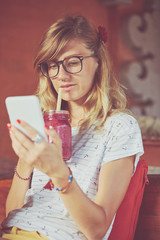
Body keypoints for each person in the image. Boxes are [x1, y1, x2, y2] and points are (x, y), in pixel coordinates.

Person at [1, 15, 144, 240]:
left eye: (73, 62)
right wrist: (26, 160)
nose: (62, 76)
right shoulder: (44, 124)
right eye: (52, 66)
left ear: (98, 61)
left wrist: (58, 172)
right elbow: (13, 213)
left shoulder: (119, 127)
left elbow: (96, 230)